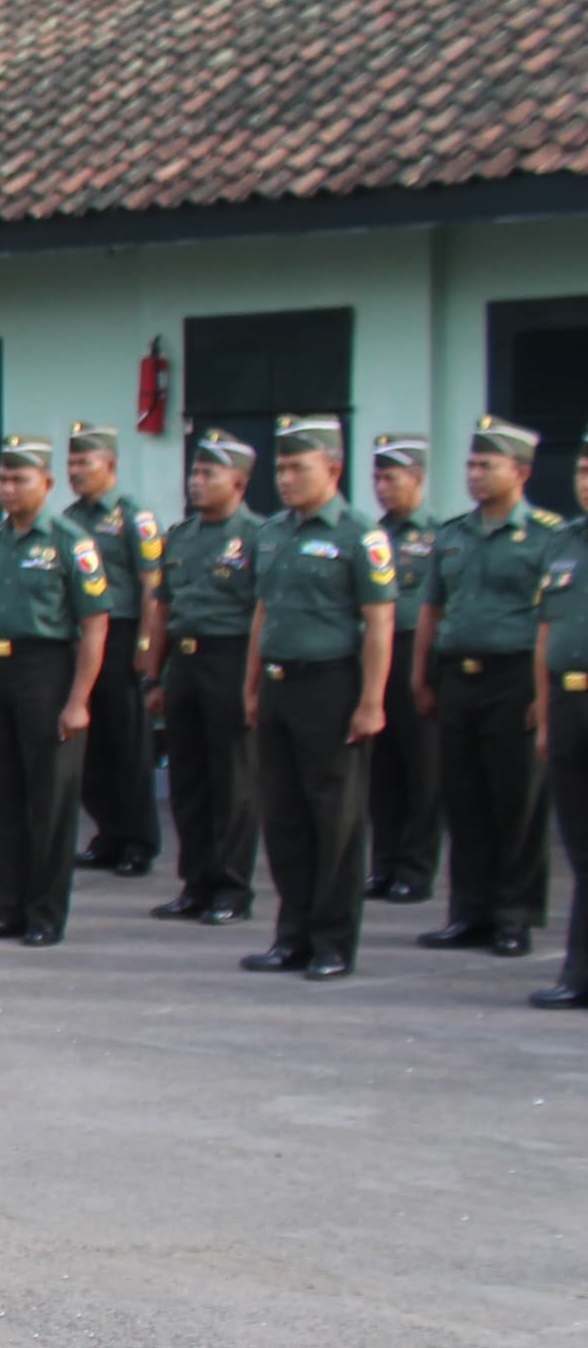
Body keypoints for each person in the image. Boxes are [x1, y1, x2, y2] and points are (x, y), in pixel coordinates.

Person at [240, 415, 396, 981]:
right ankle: (292, 935)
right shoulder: (273, 532)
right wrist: (252, 685)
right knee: (283, 816)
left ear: (332, 468)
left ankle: (332, 941)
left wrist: (372, 700)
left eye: (297, 468)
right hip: (279, 685)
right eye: (280, 468)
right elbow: (263, 613)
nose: (284, 479)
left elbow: (379, 622)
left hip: (331, 686)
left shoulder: (359, 535)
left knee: (334, 817)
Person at [415, 415, 562, 959]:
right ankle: (469, 912)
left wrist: (541, 696)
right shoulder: (452, 535)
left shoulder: (547, 536)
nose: (475, 475)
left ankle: (514, 915)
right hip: (458, 675)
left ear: (520, 471)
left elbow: (556, 617)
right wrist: (421, 676)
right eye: (471, 465)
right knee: (464, 797)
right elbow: (432, 609)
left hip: (516, 676)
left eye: (487, 465)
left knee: (516, 800)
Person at [0, 437, 112, 946]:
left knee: (48, 800)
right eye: (3, 479)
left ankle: (45, 915)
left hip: (47, 670)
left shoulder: (70, 541)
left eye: (20, 479)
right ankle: (5, 909)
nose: (9, 488)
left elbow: (94, 625)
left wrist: (78, 700)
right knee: (1, 796)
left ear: (45, 484)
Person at [148, 433, 269, 927]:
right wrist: (154, 675)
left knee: (233, 781)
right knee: (189, 781)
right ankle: (195, 882)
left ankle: (232, 887)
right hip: (187, 662)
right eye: (195, 473)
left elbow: (264, 613)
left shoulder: (260, 536)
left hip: (232, 659)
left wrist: (254, 684)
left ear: (238, 482)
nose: (197, 483)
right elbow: (163, 608)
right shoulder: (181, 537)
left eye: (208, 474)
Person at [56, 425, 164, 875]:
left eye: (85, 463)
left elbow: (151, 584)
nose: (76, 472)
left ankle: (138, 840)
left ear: (111, 465)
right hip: (80, 639)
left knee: (127, 743)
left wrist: (145, 644)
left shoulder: (133, 517)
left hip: (120, 635)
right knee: (91, 746)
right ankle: (107, 833)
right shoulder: (68, 519)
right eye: (72, 464)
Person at [365, 434, 443, 902]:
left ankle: (415, 869)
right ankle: (384, 864)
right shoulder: (372, 535)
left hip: (417, 651)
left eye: (391, 478)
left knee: (423, 771)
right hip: (378, 655)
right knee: (383, 769)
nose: (382, 487)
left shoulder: (438, 536)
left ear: (417, 479)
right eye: (376, 478)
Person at [533, 446, 588, 1008]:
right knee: (580, 851)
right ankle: (579, 975)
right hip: (571, 706)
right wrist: (546, 713)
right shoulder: (565, 542)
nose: (586, 481)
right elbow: (547, 635)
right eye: (581, 469)